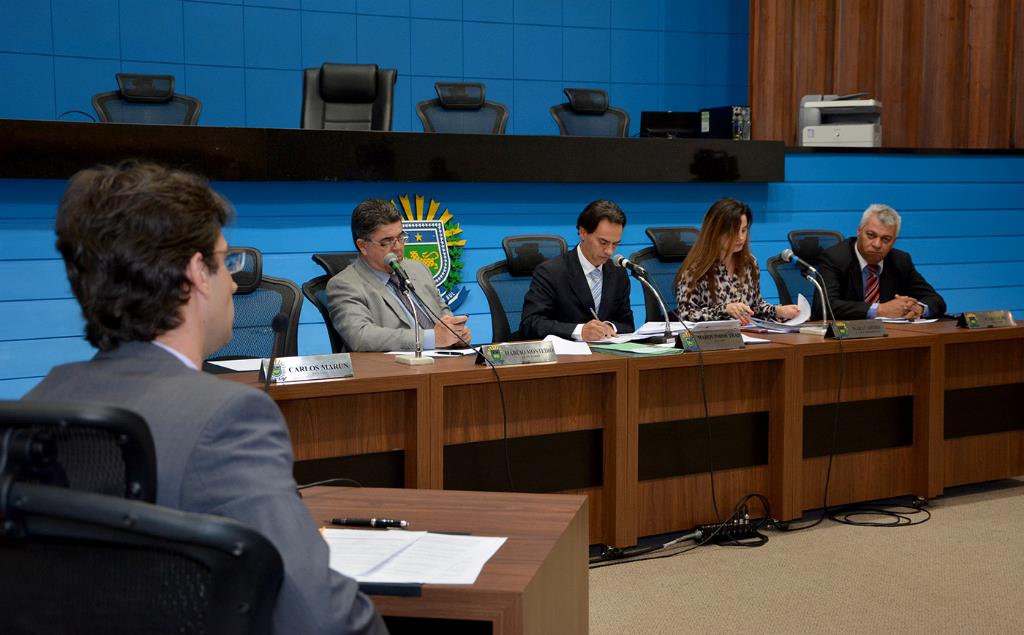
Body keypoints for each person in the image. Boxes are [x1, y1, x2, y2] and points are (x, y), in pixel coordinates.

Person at [23, 163, 386, 635]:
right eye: (225, 261)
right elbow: (320, 617)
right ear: (197, 273)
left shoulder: (33, 408)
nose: (233, 283)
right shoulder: (228, 419)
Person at [327, 198, 470, 351]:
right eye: (387, 241)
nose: (398, 247)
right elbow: (361, 336)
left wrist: (455, 333)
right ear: (363, 246)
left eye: (401, 237)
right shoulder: (344, 285)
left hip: (446, 358)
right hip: (397, 363)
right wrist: (430, 339)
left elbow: (443, 312)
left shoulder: (418, 269)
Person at [520, 200, 635, 341]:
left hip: (606, 352)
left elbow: (627, 324)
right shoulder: (551, 272)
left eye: (615, 244)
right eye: (603, 242)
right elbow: (531, 323)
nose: (609, 251)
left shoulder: (618, 273)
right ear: (583, 232)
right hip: (565, 352)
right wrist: (580, 331)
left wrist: (609, 327)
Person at [674, 197, 800, 323]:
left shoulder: (749, 263)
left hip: (746, 333)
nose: (740, 237)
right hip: (712, 335)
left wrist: (778, 311)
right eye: (733, 232)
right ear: (716, 232)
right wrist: (725, 310)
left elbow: (755, 307)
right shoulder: (696, 268)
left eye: (744, 230)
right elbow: (686, 314)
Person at [816, 203, 946, 320]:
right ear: (859, 231)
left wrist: (918, 308)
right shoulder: (835, 258)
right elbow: (823, 306)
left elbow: (936, 300)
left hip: (893, 334)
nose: (877, 244)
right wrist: (880, 310)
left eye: (886, 239)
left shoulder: (900, 261)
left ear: (894, 241)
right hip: (849, 335)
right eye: (871, 235)